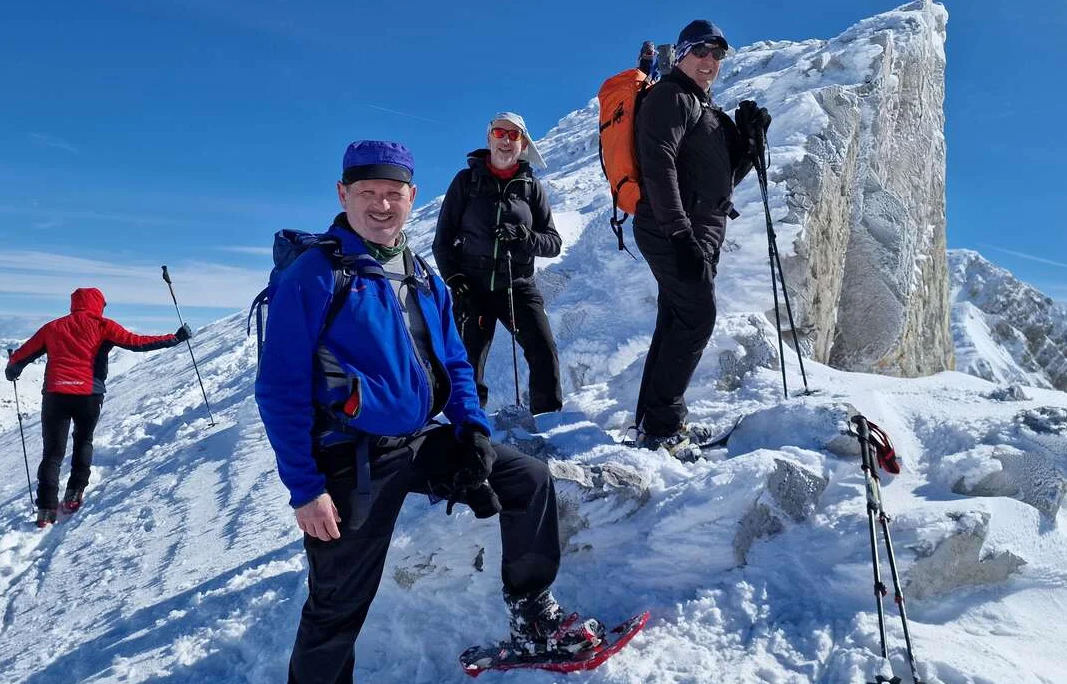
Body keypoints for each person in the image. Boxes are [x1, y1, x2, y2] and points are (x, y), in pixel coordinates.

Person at [255, 140, 600, 684]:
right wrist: (306, 488)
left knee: (528, 478)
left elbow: (456, 361)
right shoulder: (317, 274)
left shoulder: (420, 273)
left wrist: (472, 432)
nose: (381, 205)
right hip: (349, 457)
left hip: (418, 439)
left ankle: (533, 618)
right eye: (367, 192)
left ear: (413, 197)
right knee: (338, 606)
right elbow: (280, 388)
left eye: (393, 193)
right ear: (343, 194)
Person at [632, 19, 769, 461]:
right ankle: (663, 427)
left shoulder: (703, 107)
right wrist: (679, 234)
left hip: (696, 231)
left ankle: (653, 422)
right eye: (701, 52)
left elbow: (719, 182)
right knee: (697, 317)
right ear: (682, 55)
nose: (710, 61)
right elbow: (659, 166)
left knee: (676, 320)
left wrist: (748, 144)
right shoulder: (670, 97)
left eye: (718, 55)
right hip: (672, 229)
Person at [4, 287, 191, 526]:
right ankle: (74, 494)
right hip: (89, 396)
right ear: (99, 304)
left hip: (55, 395)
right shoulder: (104, 325)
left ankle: (46, 510)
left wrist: (13, 368)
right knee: (83, 441)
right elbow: (137, 343)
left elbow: (22, 355)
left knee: (52, 453)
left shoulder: (53, 327)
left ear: (74, 303)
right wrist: (174, 339)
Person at [432, 112, 564, 414]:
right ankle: (468, 426)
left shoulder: (531, 187)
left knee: (543, 352)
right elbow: (442, 240)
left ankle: (547, 424)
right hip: (472, 287)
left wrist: (524, 237)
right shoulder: (466, 181)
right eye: (500, 133)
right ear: (489, 138)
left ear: (523, 143)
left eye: (513, 135)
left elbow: (553, 243)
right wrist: (455, 280)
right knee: (468, 361)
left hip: (517, 285)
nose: (506, 140)